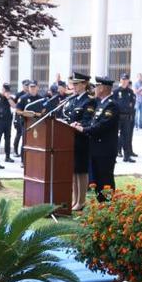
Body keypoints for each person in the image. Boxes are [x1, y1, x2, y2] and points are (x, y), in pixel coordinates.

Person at [72, 77, 120, 202]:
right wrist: (81, 125)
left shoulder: (112, 105)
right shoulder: (101, 103)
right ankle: (102, 205)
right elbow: (93, 123)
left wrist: (84, 130)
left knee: (105, 179)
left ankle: (107, 204)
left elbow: (102, 126)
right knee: (98, 179)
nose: (95, 89)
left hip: (105, 149)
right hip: (96, 148)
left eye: (97, 86)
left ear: (103, 88)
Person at [62, 72, 96, 211]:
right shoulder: (74, 100)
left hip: (82, 139)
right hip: (71, 138)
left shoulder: (89, 101)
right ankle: (75, 200)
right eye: (73, 84)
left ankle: (81, 201)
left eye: (76, 84)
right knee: (74, 171)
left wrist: (77, 124)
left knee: (81, 171)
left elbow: (87, 120)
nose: (74, 86)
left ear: (84, 84)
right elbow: (68, 117)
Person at [113, 73, 136, 162]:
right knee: (115, 136)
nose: (124, 81)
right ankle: (114, 156)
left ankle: (127, 156)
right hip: (118, 117)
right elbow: (114, 104)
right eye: (122, 80)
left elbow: (132, 104)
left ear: (128, 81)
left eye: (126, 80)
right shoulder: (116, 91)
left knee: (126, 136)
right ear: (120, 80)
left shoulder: (130, 92)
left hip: (127, 117)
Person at [12, 80, 30, 157]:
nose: (26, 87)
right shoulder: (19, 94)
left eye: (28, 85)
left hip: (27, 118)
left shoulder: (30, 95)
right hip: (19, 117)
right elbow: (15, 105)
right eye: (25, 85)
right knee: (19, 134)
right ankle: (15, 150)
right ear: (23, 86)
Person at [0, 83, 16, 164]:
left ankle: (7, 156)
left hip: (7, 121)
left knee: (7, 139)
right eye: (4, 90)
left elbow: (14, 106)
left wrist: (8, 98)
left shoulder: (10, 97)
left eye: (7, 90)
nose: (5, 92)